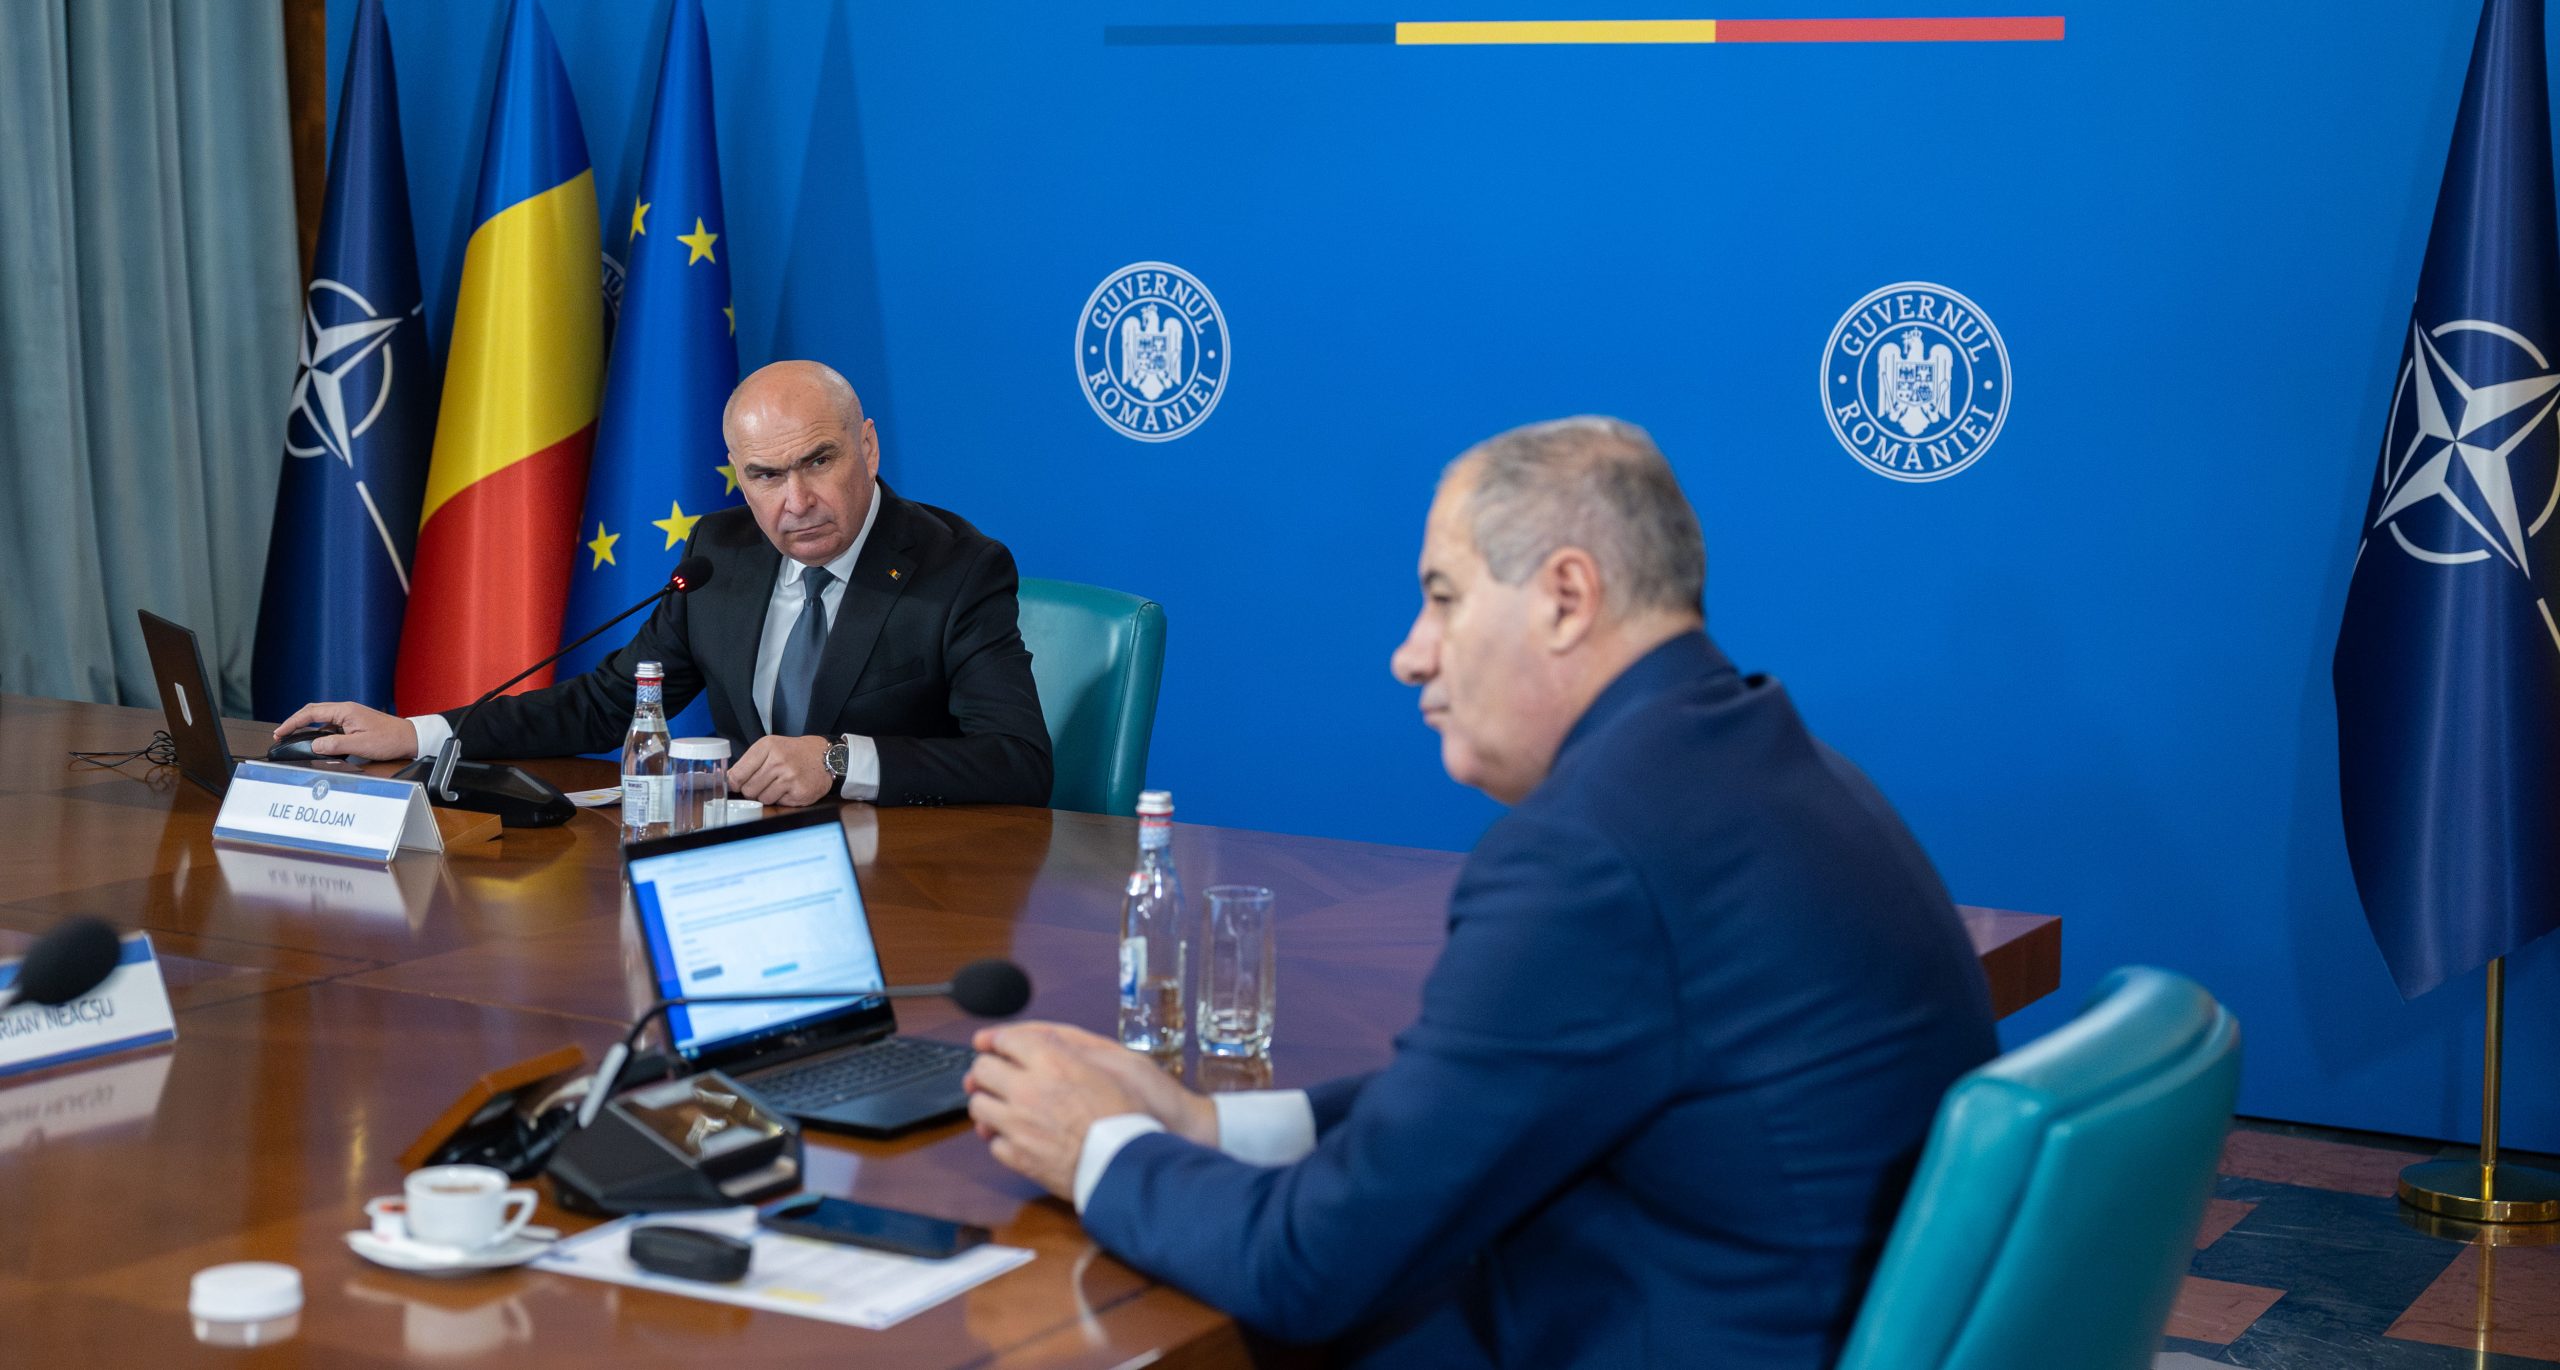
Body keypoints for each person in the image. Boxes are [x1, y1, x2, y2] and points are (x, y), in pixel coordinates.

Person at [964, 418, 1996, 1367]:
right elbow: (1472, 1107)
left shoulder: (1593, 851)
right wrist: (1208, 1125)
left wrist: (1099, 1145)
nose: (1408, 654)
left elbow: (1305, 1266)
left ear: (1566, 597)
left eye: (1444, 596)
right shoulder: (1764, 762)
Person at [281, 360, 1051, 808]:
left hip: (909, 882)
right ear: (739, 476)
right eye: (766, 475)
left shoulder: (958, 569)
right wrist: (417, 733)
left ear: (868, 448)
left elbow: (1018, 760)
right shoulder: (720, 555)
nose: (796, 501)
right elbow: (605, 704)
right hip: (751, 868)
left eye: (819, 461)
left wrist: (838, 761)